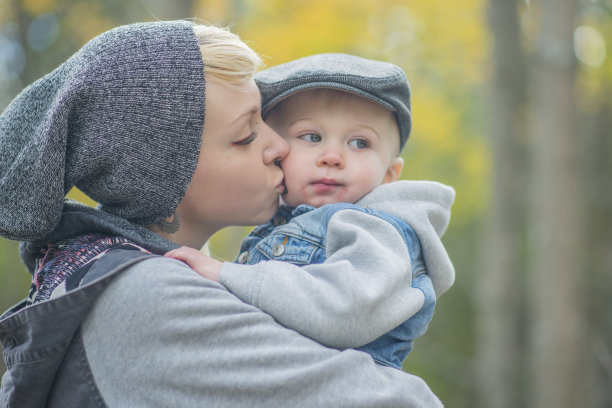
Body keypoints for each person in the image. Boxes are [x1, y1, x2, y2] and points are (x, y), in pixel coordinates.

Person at [0, 20, 444, 407]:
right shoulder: (148, 297)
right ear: (168, 171)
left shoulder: (101, 271)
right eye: (246, 134)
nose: (280, 147)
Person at [166, 53, 456, 370]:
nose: (332, 156)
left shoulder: (378, 232)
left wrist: (225, 275)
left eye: (359, 143)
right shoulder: (280, 224)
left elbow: (346, 309)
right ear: (276, 152)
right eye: (312, 137)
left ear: (389, 175)